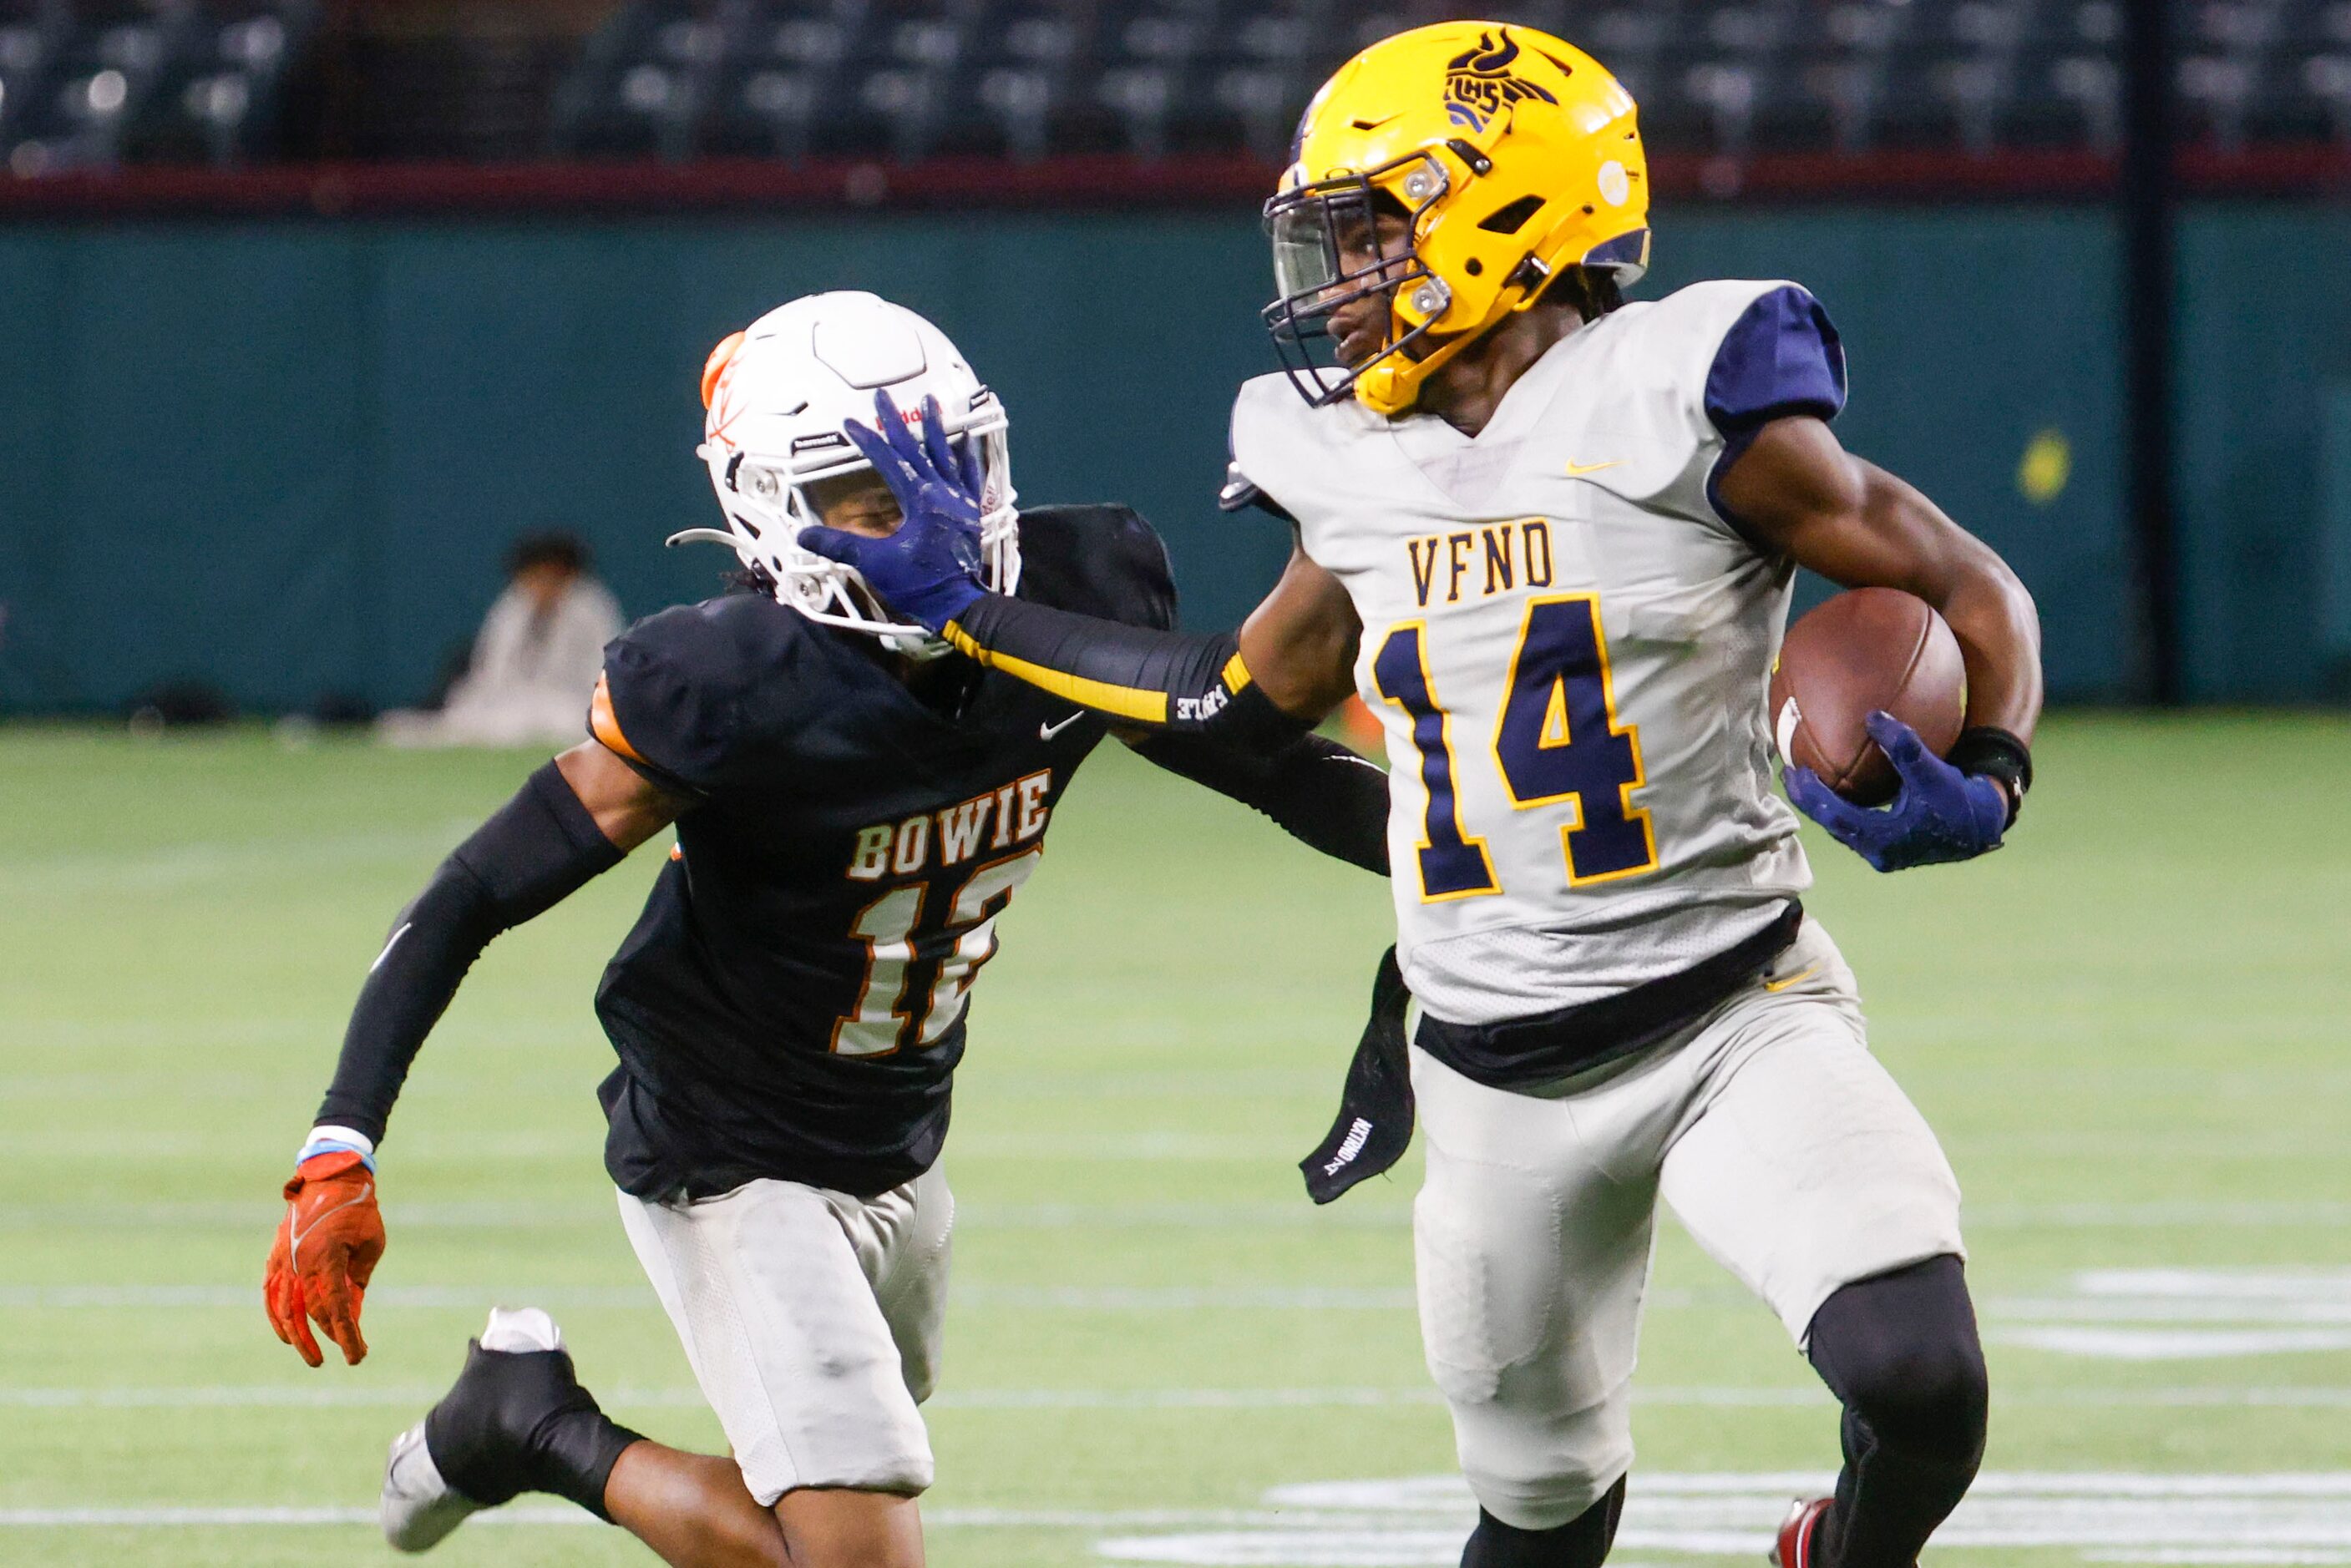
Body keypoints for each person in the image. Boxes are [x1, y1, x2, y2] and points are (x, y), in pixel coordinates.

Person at [794, 25, 2044, 1568]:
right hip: (1496, 1076)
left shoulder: (1683, 396)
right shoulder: (1355, 457)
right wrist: (976, 616)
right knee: (1539, 1520)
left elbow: (1963, 581)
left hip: (1737, 1005)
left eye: (1375, 225)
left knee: (1923, 1376)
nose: (1340, 271)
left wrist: (1989, 764)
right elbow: (1240, 702)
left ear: (1506, 209)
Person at [261, 291, 1388, 1568]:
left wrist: (1480, 868)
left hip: (900, 1133)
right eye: (861, 490)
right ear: (764, 506)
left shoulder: (1077, 584)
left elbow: (1268, 764)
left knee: (813, 1509)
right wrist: (341, 1136)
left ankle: (514, 1419)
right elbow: (477, 889)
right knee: (856, 1555)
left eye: (950, 468)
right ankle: (542, 1433)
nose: (927, 519)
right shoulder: (725, 681)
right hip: (725, 1139)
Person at [377, 531, 623, 747]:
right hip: (510, 701)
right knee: (437, 724)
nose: (543, 584)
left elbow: (608, 670)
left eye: (551, 575)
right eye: (536, 575)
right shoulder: (513, 604)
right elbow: (491, 667)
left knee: (566, 724)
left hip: (570, 702)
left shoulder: (592, 607)